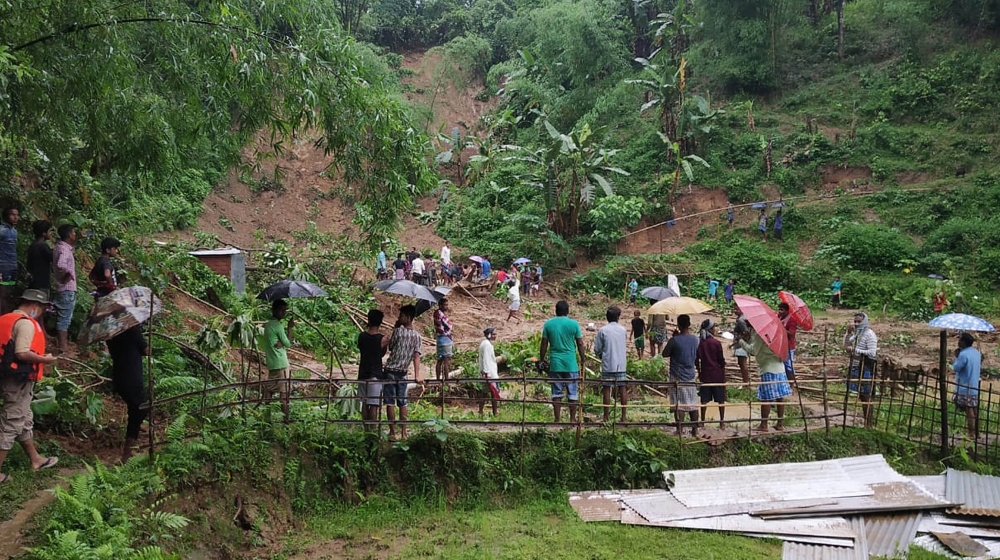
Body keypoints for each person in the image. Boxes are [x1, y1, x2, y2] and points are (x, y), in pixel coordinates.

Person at [0, 289, 60, 483]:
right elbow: (22, 353)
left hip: (7, 376)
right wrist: (45, 359)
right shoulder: (26, 324)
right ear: (35, 306)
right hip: (17, 380)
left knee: (24, 418)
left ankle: (36, 460)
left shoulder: (6, 319)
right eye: (42, 308)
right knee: (12, 421)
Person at [107, 325, 150, 462]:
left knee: (136, 408)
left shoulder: (111, 330)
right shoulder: (133, 328)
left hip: (119, 376)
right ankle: (127, 453)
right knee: (140, 409)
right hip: (132, 377)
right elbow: (147, 351)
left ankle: (130, 445)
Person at [738, 326, 792, 432]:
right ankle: (779, 424)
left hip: (768, 368)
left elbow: (753, 350)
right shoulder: (776, 333)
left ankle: (764, 425)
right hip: (780, 367)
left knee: (766, 398)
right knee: (780, 397)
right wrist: (749, 338)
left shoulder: (760, 334)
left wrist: (740, 341)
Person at [540, 300, 585, 423]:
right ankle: (572, 419)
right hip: (571, 363)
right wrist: (583, 358)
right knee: (572, 391)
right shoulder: (574, 324)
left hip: (555, 363)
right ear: (567, 311)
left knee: (556, 392)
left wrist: (542, 358)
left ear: (556, 310)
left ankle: (557, 419)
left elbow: (544, 343)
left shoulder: (548, 324)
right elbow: (580, 343)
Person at [383, 305, 422, 440]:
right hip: (403, 372)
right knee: (403, 402)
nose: (399, 318)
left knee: (390, 402)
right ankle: (404, 432)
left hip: (390, 370)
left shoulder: (398, 332)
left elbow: (391, 347)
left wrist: (395, 327)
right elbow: (416, 356)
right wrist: (417, 375)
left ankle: (392, 432)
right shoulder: (417, 336)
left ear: (408, 317)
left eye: (401, 316)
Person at [662, 315, 700, 437]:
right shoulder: (695, 339)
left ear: (678, 325)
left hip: (677, 375)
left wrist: (673, 338)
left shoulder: (675, 340)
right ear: (689, 324)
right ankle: (695, 430)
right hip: (690, 374)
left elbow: (665, 353)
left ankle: (679, 429)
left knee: (679, 403)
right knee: (693, 403)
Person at [594, 306, 628, 423]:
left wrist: (600, 354)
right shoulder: (623, 330)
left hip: (608, 363)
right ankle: (623, 417)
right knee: (622, 388)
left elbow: (597, 349)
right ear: (618, 317)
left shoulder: (603, 330)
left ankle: (606, 416)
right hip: (621, 364)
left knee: (607, 389)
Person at [844, 312, 878, 428]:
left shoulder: (869, 334)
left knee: (866, 395)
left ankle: (869, 423)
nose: (857, 324)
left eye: (859, 322)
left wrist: (856, 350)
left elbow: (872, 352)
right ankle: (866, 422)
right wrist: (848, 334)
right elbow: (847, 344)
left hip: (865, 366)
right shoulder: (858, 333)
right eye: (855, 321)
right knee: (861, 394)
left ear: (864, 322)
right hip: (855, 365)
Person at [263, 299, 294, 420]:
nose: (283, 313)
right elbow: (288, 343)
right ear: (274, 310)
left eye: (284, 310)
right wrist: (290, 328)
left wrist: (281, 342)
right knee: (283, 394)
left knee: (269, 391)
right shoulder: (278, 326)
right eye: (281, 310)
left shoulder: (268, 325)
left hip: (272, 363)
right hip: (281, 363)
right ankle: (286, 421)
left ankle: (266, 418)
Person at [357, 309, 388, 429]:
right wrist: (384, 345)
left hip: (362, 373)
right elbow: (381, 354)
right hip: (375, 374)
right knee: (374, 405)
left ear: (368, 320)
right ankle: (373, 431)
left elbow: (362, 349)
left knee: (364, 404)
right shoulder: (382, 339)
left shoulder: (362, 336)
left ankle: (366, 430)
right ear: (380, 322)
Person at [697, 319, 727, 429]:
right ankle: (722, 422)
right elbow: (721, 360)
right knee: (721, 399)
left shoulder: (701, 343)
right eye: (714, 327)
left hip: (705, 374)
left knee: (704, 399)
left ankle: (703, 421)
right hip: (717, 374)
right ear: (710, 329)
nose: (715, 329)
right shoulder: (716, 343)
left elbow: (697, 359)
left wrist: (699, 371)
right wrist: (723, 373)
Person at [52, 224, 77, 354]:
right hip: (66, 288)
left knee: (63, 316)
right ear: (68, 234)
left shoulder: (61, 247)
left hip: (62, 288)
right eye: (73, 232)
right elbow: (61, 264)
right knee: (64, 318)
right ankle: (63, 348)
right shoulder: (64, 250)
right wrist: (69, 274)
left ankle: (63, 346)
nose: (75, 234)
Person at [952, 332, 981, 438]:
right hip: (974, 385)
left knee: (969, 410)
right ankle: (977, 432)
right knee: (974, 409)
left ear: (963, 342)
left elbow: (956, 368)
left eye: (959, 339)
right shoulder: (976, 353)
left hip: (965, 386)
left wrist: (957, 357)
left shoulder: (963, 355)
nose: (958, 341)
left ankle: (971, 433)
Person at [478, 327, 501, 417]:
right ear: (489, 335)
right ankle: (495, 412)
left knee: (484, 393)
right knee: (493, 393)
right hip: (489, 373)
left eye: (495, 334)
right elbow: (486, 360)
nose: (495, 336)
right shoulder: (487, 345)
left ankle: (480, 410)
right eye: (493, 334)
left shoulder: (485, 344)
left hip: (486, 372)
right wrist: (487, 373)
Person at [0, 208, 19, 315]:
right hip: (3, 267)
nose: (16, 217)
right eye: (12, 215)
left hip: (12, 267)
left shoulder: (14, 231)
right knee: (2, 294)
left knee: (8, 294)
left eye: (17, 215)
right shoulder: (1, 230)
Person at [26, 220, 52, 292]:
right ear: (44, 233)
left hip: (33, 281)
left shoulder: (33, 245)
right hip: (41, 282)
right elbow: (52, 257)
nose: (51, 233)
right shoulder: (43, 246)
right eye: (49, 231)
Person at [776, 302, 798, 382]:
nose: (779, 311)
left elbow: (792, 334)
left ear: (787, 311)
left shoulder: (792, 320)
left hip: (789, 346)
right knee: (781, 365)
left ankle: (791, 383)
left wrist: (782, 328)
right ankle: (785, 382)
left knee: (788, 366)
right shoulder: (779, 317)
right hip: (780, 345)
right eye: (779, 309)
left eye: (781, 310)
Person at [433, 298, 454, 380]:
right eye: (445, 305)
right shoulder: (441, 314)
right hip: (445, 339)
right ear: (440, 305)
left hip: (439, 339)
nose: (447, 307)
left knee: (439, 360)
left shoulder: (436, 313)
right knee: (446, 361)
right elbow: (449, 326)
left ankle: (438, 379)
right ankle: (447, 380)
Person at [732, 306, 751, 387]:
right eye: (734, 309)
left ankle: (745, 383)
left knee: (742, 363)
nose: (735, 311)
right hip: (742, 343)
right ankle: (745, 382)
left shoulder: (741, 320)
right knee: (741, 363)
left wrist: (739, 339)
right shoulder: (743, 318)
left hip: (741, 344)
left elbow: (746, 332)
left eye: (737, 309)